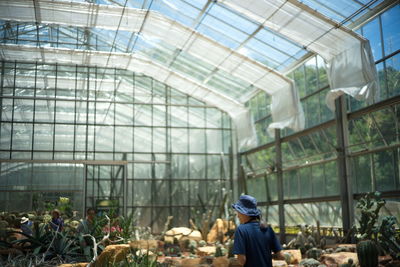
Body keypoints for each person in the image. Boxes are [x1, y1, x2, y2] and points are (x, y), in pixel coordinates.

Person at [232, 195, 284, 267]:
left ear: (244, 213)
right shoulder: (268, 229)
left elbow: (241, 260)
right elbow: (281, 256)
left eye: (238, 212)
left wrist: (229, 262)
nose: (238, 216)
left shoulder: (241, 230)